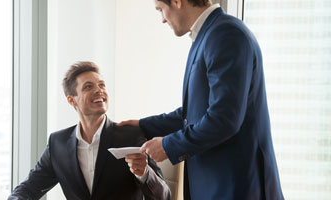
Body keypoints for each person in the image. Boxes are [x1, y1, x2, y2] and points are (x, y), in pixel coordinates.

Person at [118, 0, 284, 199]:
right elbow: (194, 113)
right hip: (217, 184)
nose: (162, 19)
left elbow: (224, 119)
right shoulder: (208, 35)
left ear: (178, 2)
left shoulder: (226, 35)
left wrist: (168, 146)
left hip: (236, 185)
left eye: (161, 9)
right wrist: (143, 125)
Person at [8, 62, 171, 200]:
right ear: (72, 100)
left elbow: (165, 196)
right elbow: (28, 189)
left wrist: (144, 173)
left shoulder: (131, 135)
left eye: (102, 85)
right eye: (88, 86)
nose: (99, 90)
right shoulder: (58, 143)